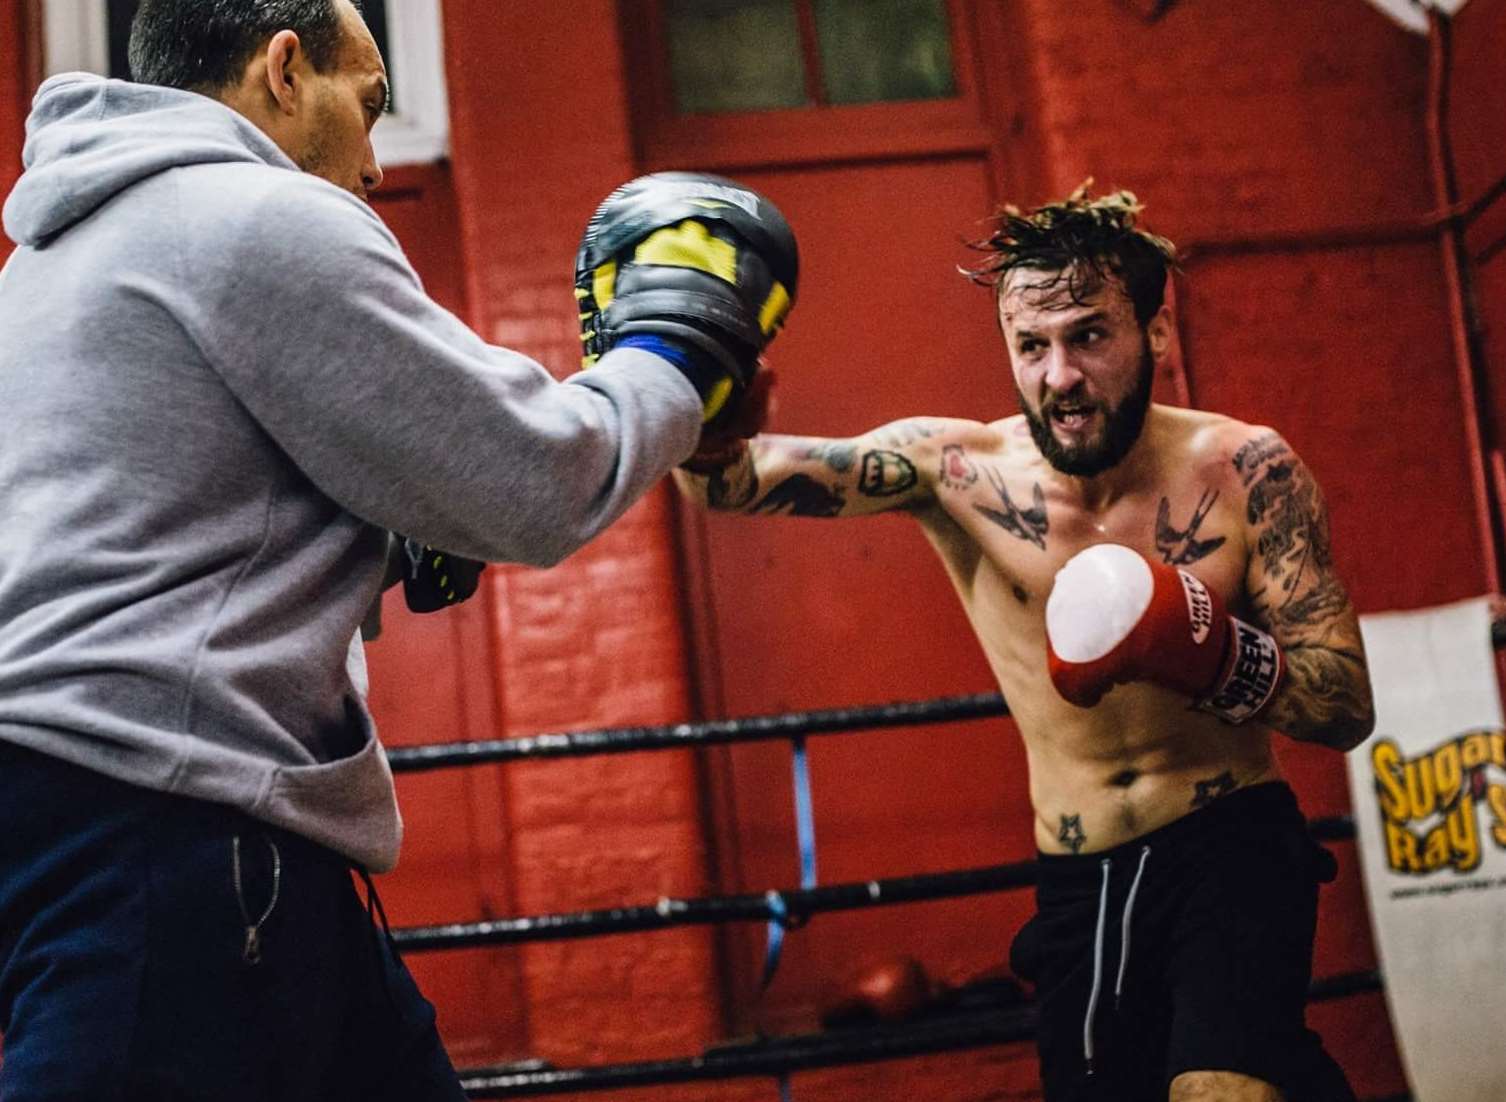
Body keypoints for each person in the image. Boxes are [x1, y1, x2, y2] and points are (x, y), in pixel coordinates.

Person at [0, 1, 795, 1098]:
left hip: (102, 808)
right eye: (368, 107)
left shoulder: (42, 266)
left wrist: (385, 538)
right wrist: (675, 354)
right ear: (285, 71)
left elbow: (148, 536)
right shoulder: (254, 212)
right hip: (169, 820)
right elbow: (534, 478)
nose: (374, 163)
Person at [675, 186, 1374, 1101]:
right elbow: (733, 486)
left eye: (1089, 336)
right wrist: (701, 410)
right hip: (1078, 878)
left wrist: (1210, 652)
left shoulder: (1248, 470)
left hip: (1230, 842)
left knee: (1222, 1091)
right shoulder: (956, 470)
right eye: (1031, 346)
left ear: (1156, 335)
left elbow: (1343, 703)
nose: (1060, 376)